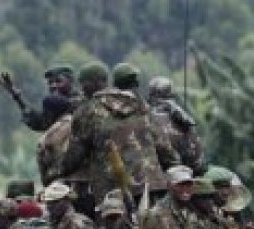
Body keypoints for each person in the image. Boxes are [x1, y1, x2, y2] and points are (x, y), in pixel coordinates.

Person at [59, 64, 176, 213]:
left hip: (113, 190)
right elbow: (163, 146)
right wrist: (173, 168)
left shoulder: (87, 111)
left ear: (95, 83)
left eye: (84, 83)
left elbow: (75, 154)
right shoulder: (140, 104)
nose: (81, 89)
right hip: (150, 183)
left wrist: (60, 171)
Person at [148, 76, 207, 175]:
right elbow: (198, 163)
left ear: (151, 95)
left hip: (157, 180)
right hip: (186, 179)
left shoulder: (147, 119)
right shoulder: (184, 119)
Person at [22, 65, 82, 132]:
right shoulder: (53, 105)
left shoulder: (81, 99)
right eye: (50, 83)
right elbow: (42, 124)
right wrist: (18, 98)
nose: (53, 85)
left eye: (58, 81)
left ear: (70, 81)